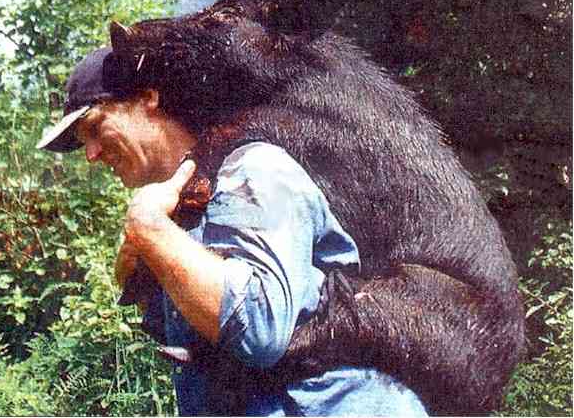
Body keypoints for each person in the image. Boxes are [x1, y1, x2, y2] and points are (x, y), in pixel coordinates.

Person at [37, 46, 427, 416]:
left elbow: (259, 332)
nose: (90, 155)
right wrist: (139, 276)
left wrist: (149, 228)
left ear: (148, 98)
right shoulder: (181, 211)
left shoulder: (255, 169)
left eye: (94, 128)